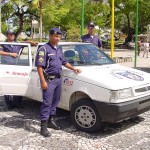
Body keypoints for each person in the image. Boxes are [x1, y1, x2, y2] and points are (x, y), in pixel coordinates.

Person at [35, 28, 81, 137]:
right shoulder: (44, 49)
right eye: (56, 36)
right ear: (50, 36)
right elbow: (39, 66)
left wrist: (73, 68)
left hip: (58, 80)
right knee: (47, 103)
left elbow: (64, 62)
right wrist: (42, 81)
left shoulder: (58, 49)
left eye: (59, 36)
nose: (58, 38)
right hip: (48, 80)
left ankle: (51, 121)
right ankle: (43, 127)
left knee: (55, 102)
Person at [0, 29, 37, 109]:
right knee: (8, 86)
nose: (12, 35)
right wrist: (10, 54)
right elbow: (0, 52)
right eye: (10, 34)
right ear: (7, 35)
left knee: (19, 86)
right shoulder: (3, 44)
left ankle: (17, 103)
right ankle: (9, 104)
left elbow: (25, 43)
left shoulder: (17, 44)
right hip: (7, 68)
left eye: (13, 34)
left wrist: (31, 42)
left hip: (18, 68)